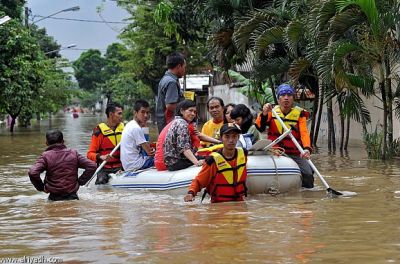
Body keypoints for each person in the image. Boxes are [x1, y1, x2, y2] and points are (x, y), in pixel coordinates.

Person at [255, 83, 314, 188]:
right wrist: (264, 113)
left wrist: (306, 149)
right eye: (282, 95)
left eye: (289, 95)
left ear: (293, 98)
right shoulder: (271, 112)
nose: (286, 98)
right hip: (275, 151)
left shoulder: (300, 114)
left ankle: (306, 196)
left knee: (308, 174)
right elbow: (260, 127)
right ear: (278, 99)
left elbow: (304, 134)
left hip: (294, 153)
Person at [184, 123, 248, 203]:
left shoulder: (243, 154)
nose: (231, 140)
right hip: (219, 205)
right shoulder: (212, 161)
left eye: (234, 136)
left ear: (238, 137)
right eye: (227, 136)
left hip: (240, 203)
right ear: (221, 138)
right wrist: (191, 193)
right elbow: (199, 181)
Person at [28, 130, 97, 201]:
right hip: (72, 197)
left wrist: (41, 187)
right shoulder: (73, 153)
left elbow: (33, 172)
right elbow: (92, 166)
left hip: (54, 198)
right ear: (63, 141)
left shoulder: (45, 156)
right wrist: (80, 182)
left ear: (46, 143)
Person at [155, 101, 220, 171]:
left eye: (195, 112)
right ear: (182, 111)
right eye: (190, 111)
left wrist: (218, 142)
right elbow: (184, 148)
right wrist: (197, 162)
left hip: (172, 160)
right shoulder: (182, 124)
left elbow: (198, 135)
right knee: (211, 158)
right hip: (175, 162)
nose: (193, 114)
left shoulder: (180, 122)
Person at [87, 102, 124, 184]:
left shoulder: (125, 129)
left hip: (121, 167)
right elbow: (89, 154)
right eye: (119, 114)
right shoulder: (99, 132)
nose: (122, 116)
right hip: (104, 168)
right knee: (101, 182)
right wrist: (101, 157)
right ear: (111, 114)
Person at [156, 52, 186, 133]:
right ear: (179, 66)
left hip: (165, 125)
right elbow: (170, 105)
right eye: (184, 67)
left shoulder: (165, 79)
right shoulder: (171, 82)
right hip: (170, 126)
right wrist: (186, 109)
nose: (184, 70)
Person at [120, 100, 154, 171]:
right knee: (162, 158)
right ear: (135, 113)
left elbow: (146, 143)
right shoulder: (135, 128)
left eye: (147, 113)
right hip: (135, 165)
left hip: (128, 164)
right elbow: (149, 152)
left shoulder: (130, 124)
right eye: (142, 112)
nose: (146, 115)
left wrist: (144, 125)